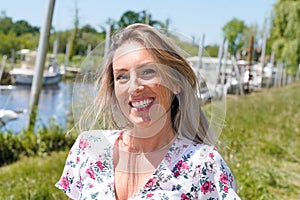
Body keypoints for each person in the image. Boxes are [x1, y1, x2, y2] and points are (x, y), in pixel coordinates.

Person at [55, 23, 240, 200]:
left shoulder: (204, 165)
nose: (134, 87)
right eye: (122, 76)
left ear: (176, 82)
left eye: (148, 72)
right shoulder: (88, 148)